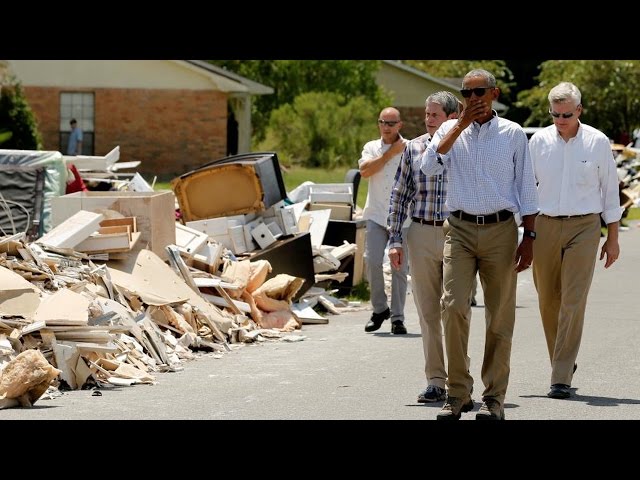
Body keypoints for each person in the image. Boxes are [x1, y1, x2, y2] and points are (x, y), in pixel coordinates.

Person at [420, 69, 539, 420]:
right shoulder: (448, 130)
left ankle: (494, 398)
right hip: (459, 228)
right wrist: (458, 126)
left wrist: (529, 237)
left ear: (494, 93)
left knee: (499, 314)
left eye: (479, 92)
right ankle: (458, 394)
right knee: (453, 306)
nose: (473, 99)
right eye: (466, 93)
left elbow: (527, 188)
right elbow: (429, 166)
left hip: (501, 230)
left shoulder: (512, 133)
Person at [529, 82, 621, 400]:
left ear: (579, 110)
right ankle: (563, 358)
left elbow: (610, 191)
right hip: (544, 225)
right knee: (547, 300)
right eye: (555, 114)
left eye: (566, 114)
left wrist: (613, 238)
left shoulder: (597, 142)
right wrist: (521, 233)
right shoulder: (538, 142)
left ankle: (561, 374)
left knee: (573, 300)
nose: (560, 120)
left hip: (584, 226)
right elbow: (525, 188)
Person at [387, 91, 464, 403]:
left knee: (455, 309)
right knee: (428, 311)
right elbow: (400, 193)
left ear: (451, 118)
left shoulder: (465, 147)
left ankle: (460, 379)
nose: (428, 119)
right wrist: (394, 239)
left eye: (435, 115)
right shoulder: (414, 147)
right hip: (420, 233)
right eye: (427, 114)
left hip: (458, 233)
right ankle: (435, 380)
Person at [359, 107, 408, 335]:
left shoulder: (410, 148)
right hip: (376, 214)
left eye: (391, 123)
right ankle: (380, 309)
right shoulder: (371, 147)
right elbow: (365, 171)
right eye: (382, 122)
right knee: (372, 261)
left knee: (399, 268)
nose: (386, 127)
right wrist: (389, 154)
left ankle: (398, 318)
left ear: (400, 125)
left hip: (402, 217)